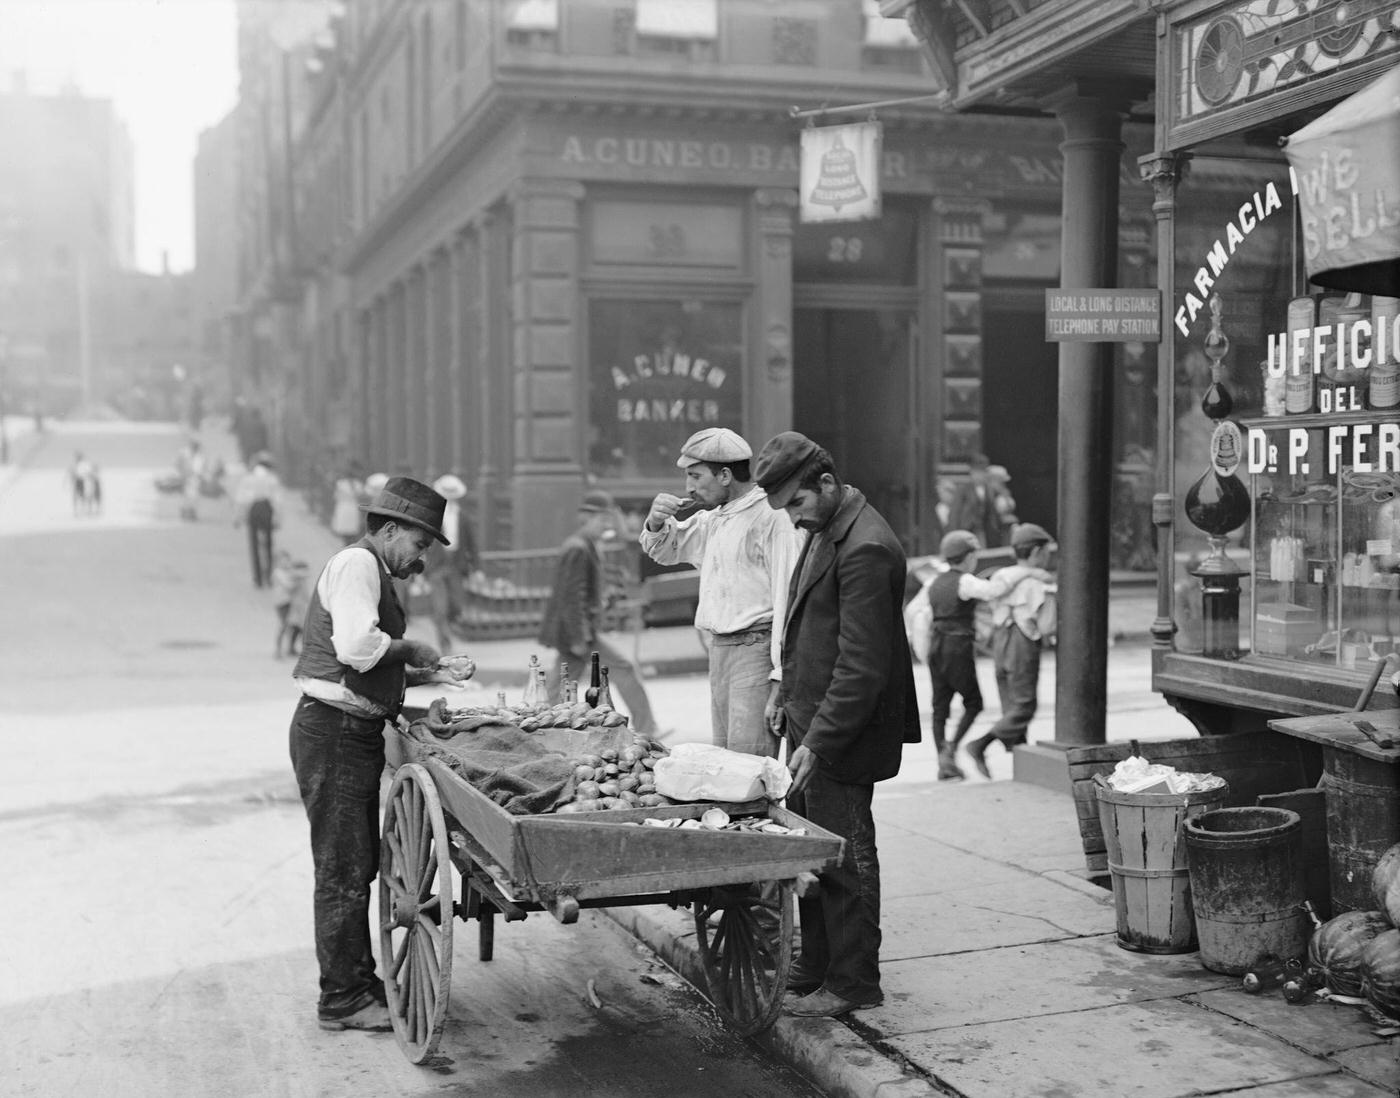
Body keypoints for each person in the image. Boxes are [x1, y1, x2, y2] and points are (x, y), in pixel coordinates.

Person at [288, 476, 474, 1033]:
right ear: (391, 530)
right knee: (345, 869)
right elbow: (356, 649)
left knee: (357, 862)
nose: (419, 560)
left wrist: (425, 674)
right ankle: (341, 999)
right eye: (418, 546)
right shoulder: (356, 565)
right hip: (333, 732)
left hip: (352, 729)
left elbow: (368, 664)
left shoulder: (374, 571)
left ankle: (356, 979)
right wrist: (415, 648)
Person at [755, 431, 920, 1019]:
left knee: (847, 856)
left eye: (797, 504)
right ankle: (816, 964)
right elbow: (810, 626)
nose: (794, 519)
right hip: (812, 720)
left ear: (825, 483)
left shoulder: (866, 546)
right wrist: (786, 694)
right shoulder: (828, 527)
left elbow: (861, 667)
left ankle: (853, 982)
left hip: (843, 733)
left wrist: (819, 741)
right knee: (811, 849)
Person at [639, 427, 803, 757]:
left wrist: (780, 677)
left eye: (696, 476)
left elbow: (791, 599)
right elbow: (666, 550)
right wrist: (656, 522)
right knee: (727, 764)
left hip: (756, 651)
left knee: (750, 766)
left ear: (725, 474)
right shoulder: (715, 518)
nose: (689, 487)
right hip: (721, 651)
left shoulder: (772, 518)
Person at [922, 529, 1051, 781]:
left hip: (935, 647)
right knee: (974, 703)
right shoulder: (966, 581)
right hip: (957, 647)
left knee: (940, 706)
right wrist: (1029, 572)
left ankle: (943, 761)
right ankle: (958, 747)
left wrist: (923, 648)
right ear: (969, 557)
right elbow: (993, 590)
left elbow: (918, 614)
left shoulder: (933, 582)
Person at [537, 489, 658, 736]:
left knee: (560, 684)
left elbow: (579, 593)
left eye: (608, 519)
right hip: (578, 632)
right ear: (586, 519)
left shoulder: (584, 545)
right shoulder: (579, 548)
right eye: (603, 520)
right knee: (622, 668)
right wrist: (580, 637)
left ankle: (539, 727)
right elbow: (571, 598)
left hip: (576, 630)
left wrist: (603, 600)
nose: (607, 525)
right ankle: (647, 730)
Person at [964, 523, 1057, 779]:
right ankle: (980, 744)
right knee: (1025, 705)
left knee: (1011, 706)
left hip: (1000, 643)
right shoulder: (1038, 584)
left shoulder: (1001, 577)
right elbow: (1047, 625)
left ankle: (1020, 763)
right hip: (1022, 643)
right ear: (1037, 551)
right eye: (1047, 551)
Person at [422, 473, 481, 653]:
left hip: (456, 565)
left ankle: (447, 626)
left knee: (456, 607)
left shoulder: (463, 516)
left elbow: (472, 543)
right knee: (440, 609)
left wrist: (478, 568)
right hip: (437, 567)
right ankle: (445, 646)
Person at [235, 451, 283, 589]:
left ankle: (257, 578)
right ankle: (268, 576)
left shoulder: (248, 478)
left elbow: (242, 498)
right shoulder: (272, 479)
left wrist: (238, 516)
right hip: (266, 508)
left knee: (254, 544)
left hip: (254, 509)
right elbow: (277, 500)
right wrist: (277, 517)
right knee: (268, 544)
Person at [948, 453, 1003, 548]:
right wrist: (954, 534)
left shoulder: (989, 489)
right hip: (966, 529)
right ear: (971, 473)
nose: (980, 476)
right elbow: (955, 513)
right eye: (977, 472)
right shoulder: (963, 489)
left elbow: (992, 512)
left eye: (983, 472)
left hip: (983, 531)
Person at [272, 551, 311, 658]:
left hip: (290, 603)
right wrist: (298, 578)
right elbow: (288, 585)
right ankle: (278, 650)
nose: (286, 563)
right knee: (283, 625)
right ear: (277, 562)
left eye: (287, 560)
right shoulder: (278, 573)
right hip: (282, 603)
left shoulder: (289, 572)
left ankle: (291, 648)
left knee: (297, 625)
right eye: (283, 561)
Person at [329, 461, 368, 545]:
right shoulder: (357, 485)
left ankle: (346, 546)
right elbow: (362, 496)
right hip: (351, 508)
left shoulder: (340, 484)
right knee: (351, 532)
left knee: (346, 532)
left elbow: (335, 497)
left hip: (343, 508)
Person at [175, 437, 206, 521]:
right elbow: (178, 463)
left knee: (195, 496)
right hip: (185, 477)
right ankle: (184, 511)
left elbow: (202, 467)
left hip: (196, 478)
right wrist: (182, 473)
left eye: (197, 446)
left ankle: (192, 512)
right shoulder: (184, 453)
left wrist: (201, 476)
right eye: (194, 445)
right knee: (185, 496)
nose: (195, 447)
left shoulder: (200, 456)